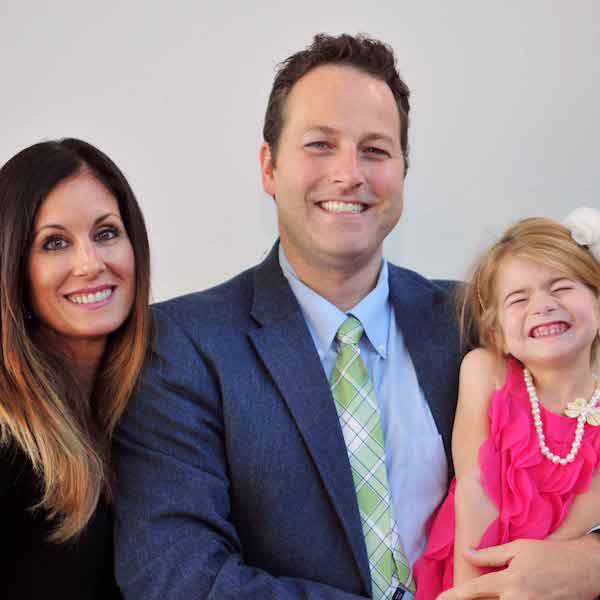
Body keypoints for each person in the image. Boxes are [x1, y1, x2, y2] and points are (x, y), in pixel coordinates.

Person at [113, 34, 600, 599]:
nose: (350, 174)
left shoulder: (479, 320)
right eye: (320, 145)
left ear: (403, 170)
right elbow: (176, 575)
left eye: (375, 150)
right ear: (269, 166)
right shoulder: (182, 345)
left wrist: (590, 563)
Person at [414, 209, 600, 599]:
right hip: (473, 574)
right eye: (519, 298)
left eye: (561, 287)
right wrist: (470, 593)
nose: (543, 304)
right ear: (497, 333)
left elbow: (572, 539)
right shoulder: (487, 372)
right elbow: (474, 488)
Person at [0, 138, 151, 599]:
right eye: (55, 243)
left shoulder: (160, 407)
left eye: (106, 233)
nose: (90, 264)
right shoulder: (8, 445)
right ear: (13, 268)